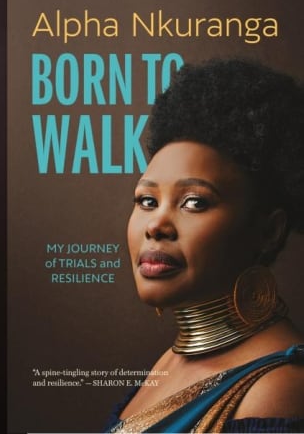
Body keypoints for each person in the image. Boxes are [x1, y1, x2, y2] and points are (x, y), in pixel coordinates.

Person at [104, 59, 304, 432]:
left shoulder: (279, 387)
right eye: (147, 201)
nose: (157, 225)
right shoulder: (173, 359)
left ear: (269, 231)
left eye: (195, 202)